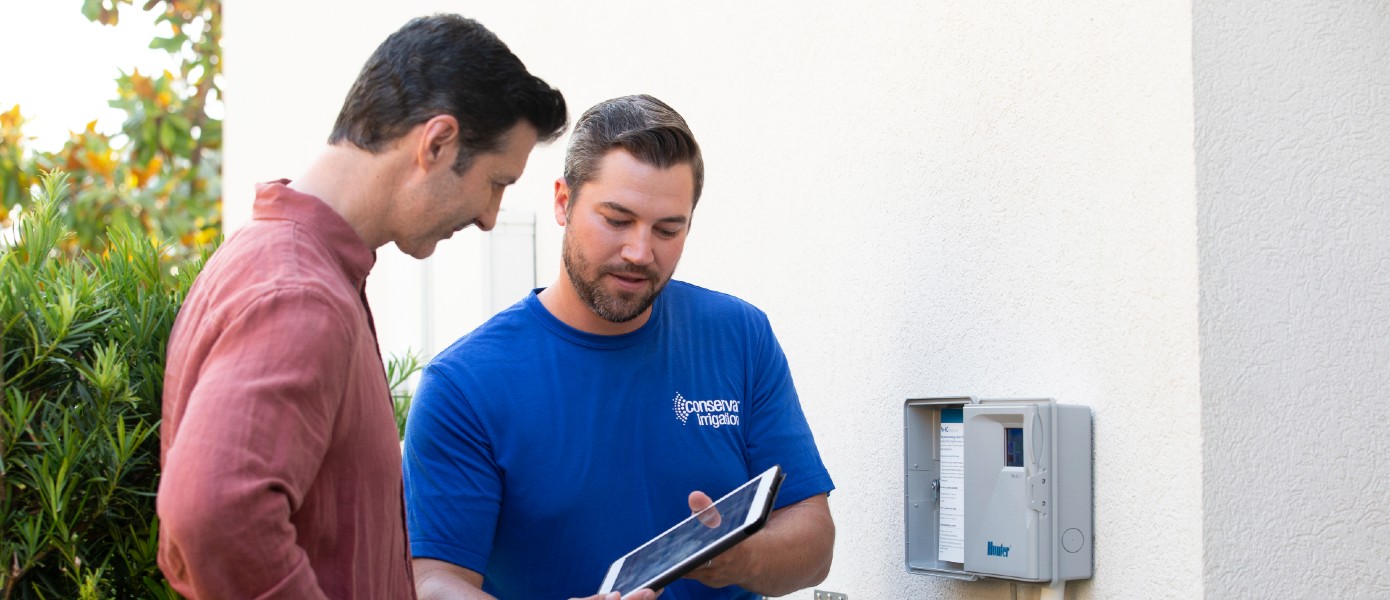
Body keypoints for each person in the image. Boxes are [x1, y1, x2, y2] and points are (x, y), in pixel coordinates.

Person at [157, 14, 579, 599]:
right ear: (437, 143)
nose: (489, 217)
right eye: (496, 182)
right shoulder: (299, 293)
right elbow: (214, 516)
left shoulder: (283, 263)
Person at [403, 94, 836, 600]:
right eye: (616, 220)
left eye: (668, 229)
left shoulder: (740, 336)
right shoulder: (464, 385)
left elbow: (815, 542)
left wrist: (740, 558)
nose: (639, 252)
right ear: (563, 201)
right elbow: (434, 582)